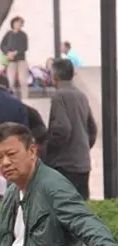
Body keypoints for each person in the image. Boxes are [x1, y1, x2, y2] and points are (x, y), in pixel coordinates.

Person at [44, 58, 97, 200]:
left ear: (54, 76)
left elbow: (62, 129)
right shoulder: (81, 95)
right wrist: (81, 148)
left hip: (64, 165)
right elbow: (92, 130)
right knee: (80, 206)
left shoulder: (59, 96)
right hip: (82, 163)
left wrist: (49, 151)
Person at [0, 16, 29, 100]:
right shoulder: (8, 34)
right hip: (11, 60)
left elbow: (25, 47)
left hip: (21, 59)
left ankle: (25, 98)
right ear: (13, 23)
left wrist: (16, 52)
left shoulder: (23, 35)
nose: (18, 24)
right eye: (17, 22)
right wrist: (7, 53)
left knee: (23, 80)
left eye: (20, 23)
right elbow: (2, 45)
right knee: (10, 81)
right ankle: (10, 98)